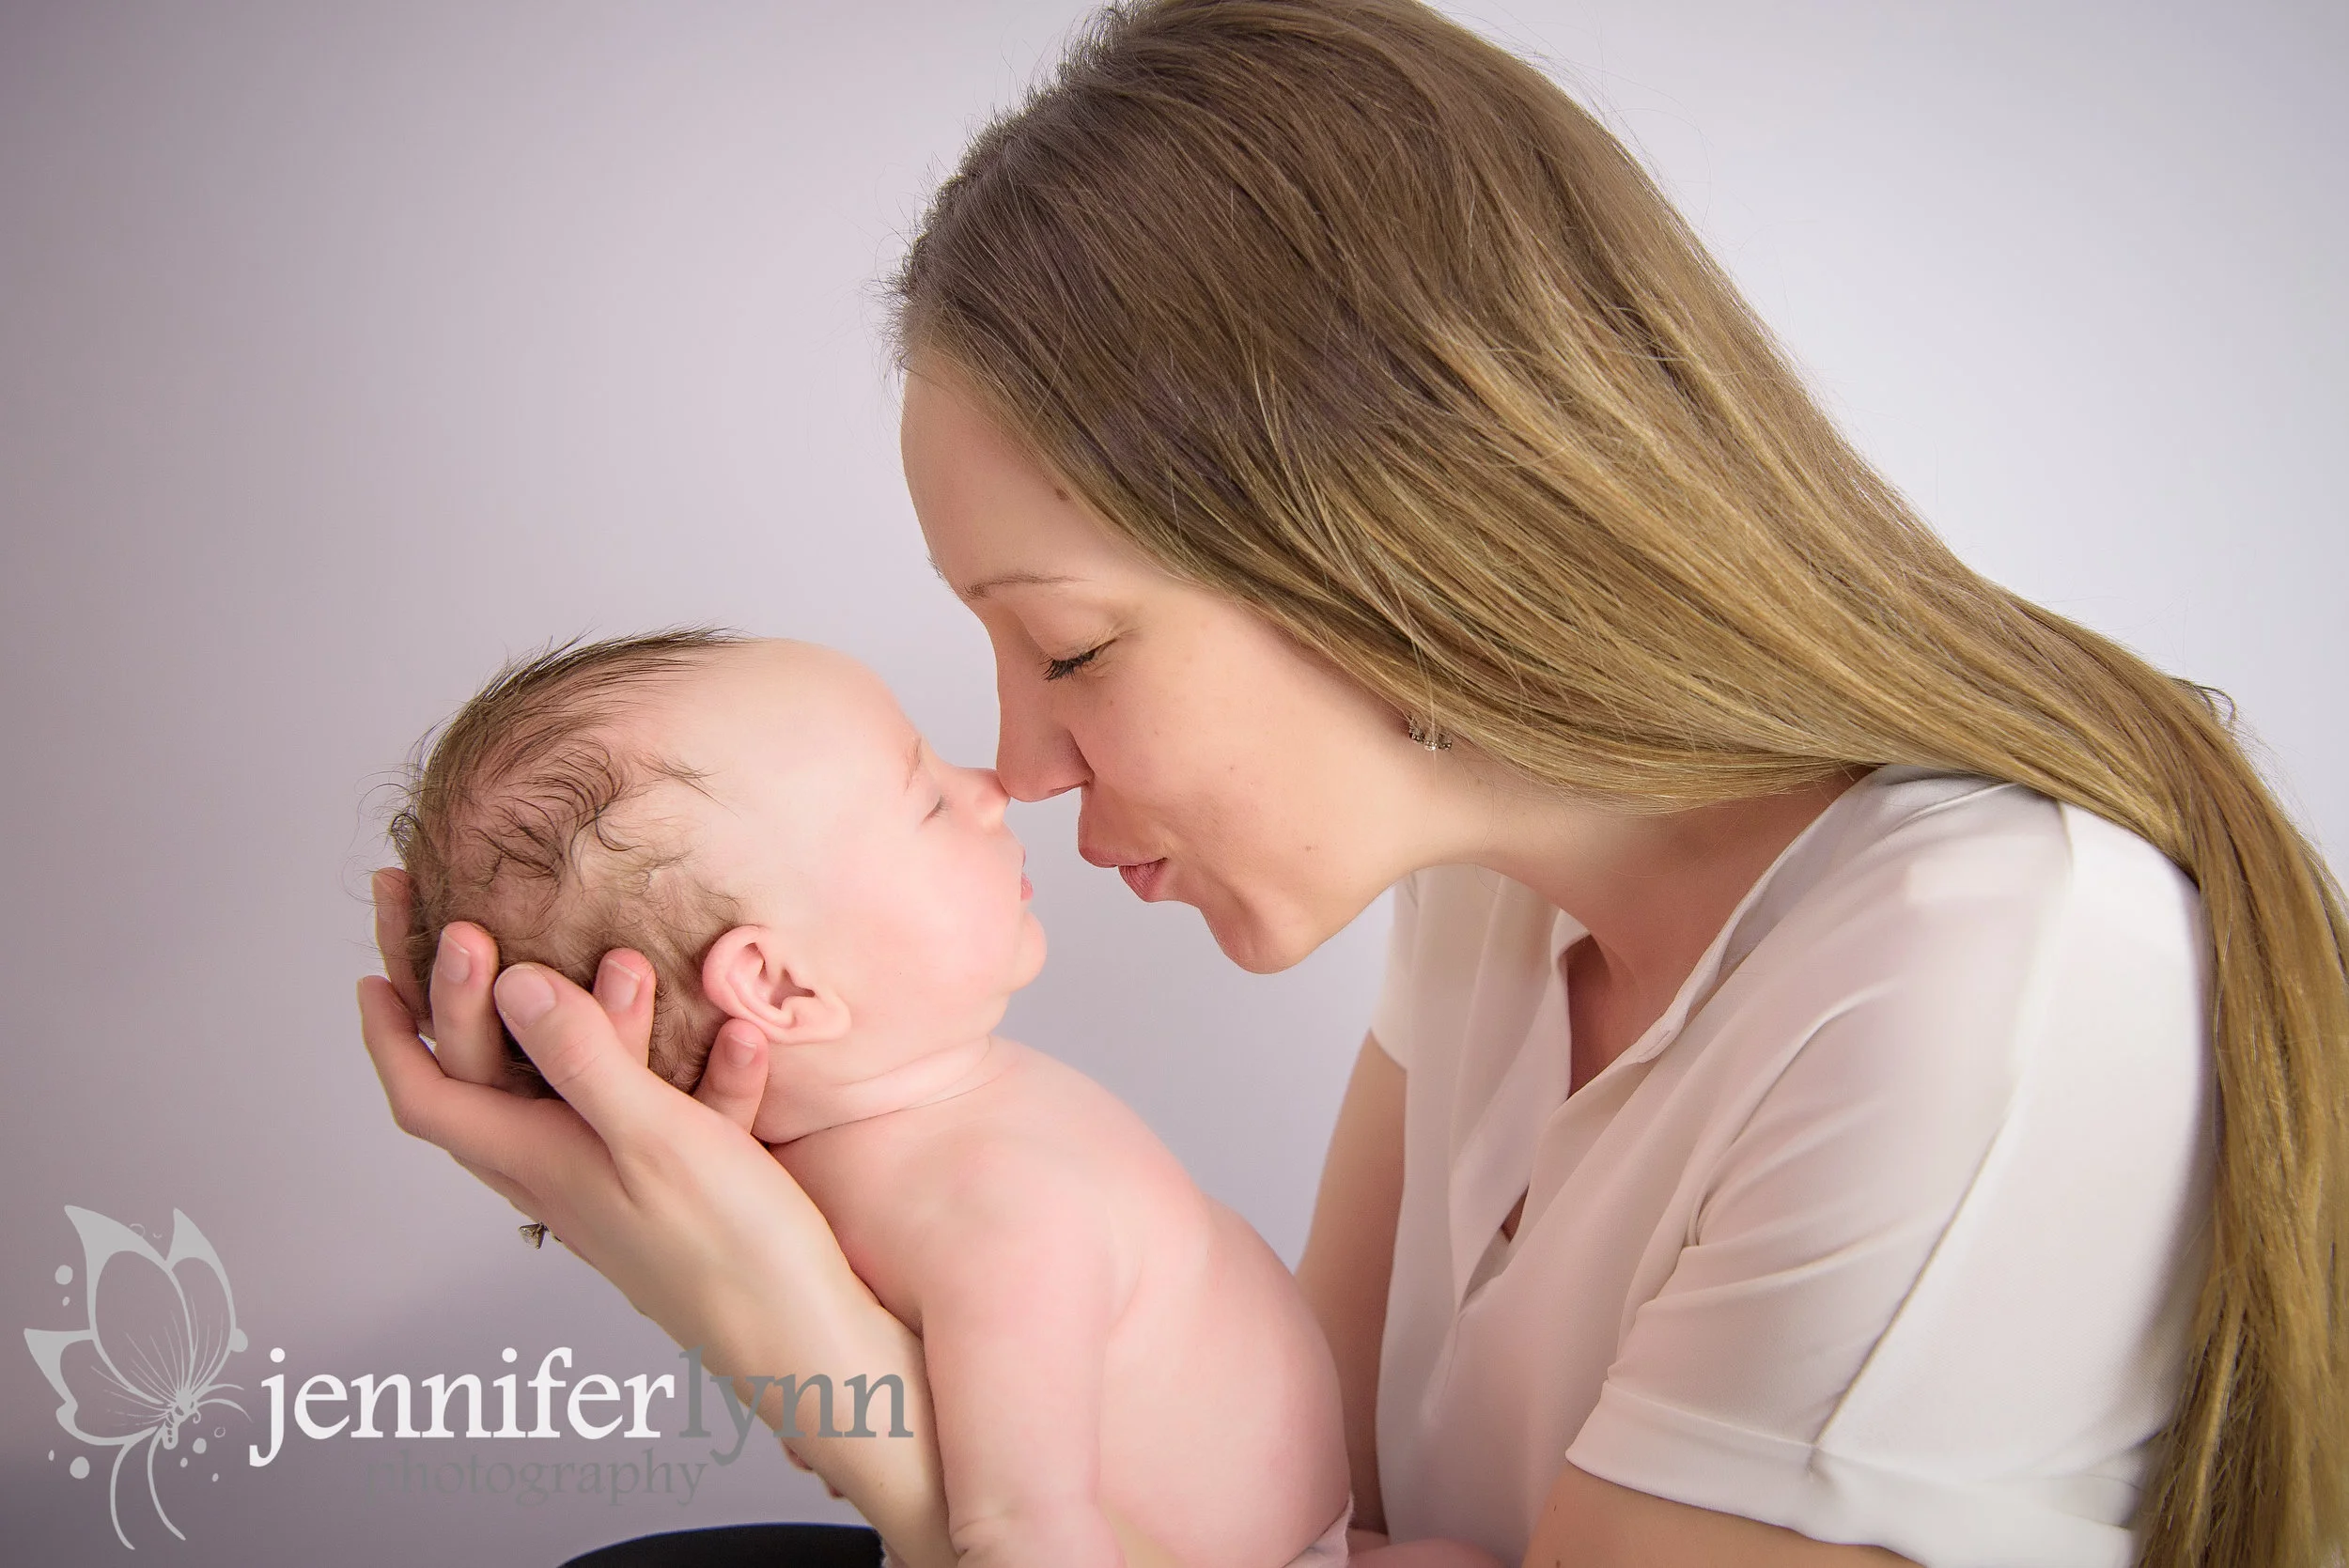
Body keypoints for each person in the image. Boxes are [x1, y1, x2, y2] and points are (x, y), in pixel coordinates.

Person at [358, 2, 2349, 1565]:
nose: (1022, 767)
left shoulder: (1979, 981)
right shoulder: (1491, 899)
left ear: (1385, 548)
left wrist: (831, 1381)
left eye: (1066, 648)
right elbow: (1303, 1495)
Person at [381, 628, 1493, 1568]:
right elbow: (1021, 1530)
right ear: (778, 985)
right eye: (923, 798)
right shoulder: (983, 1205)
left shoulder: (826, 1185)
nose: (988, 788)